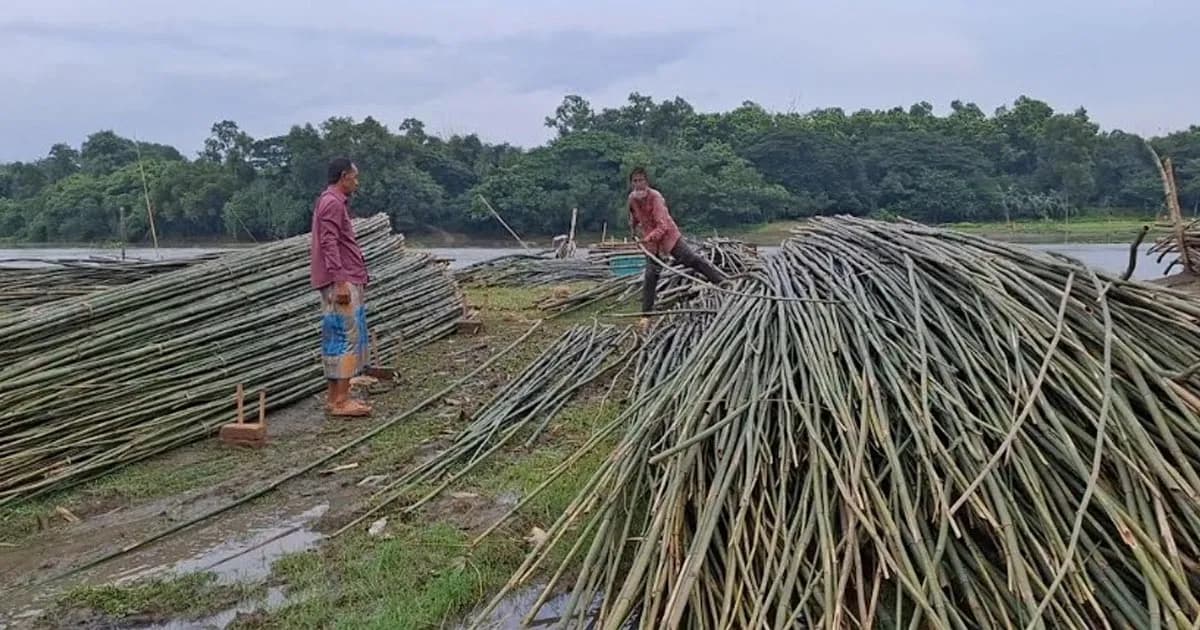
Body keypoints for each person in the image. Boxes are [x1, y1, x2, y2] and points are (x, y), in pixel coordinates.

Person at [627, 167, 728, 331]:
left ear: (647, 182)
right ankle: (646, 315)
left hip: (668, 237)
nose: (638, 184)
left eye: (641, 180)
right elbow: (633, 216)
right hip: (651, 244)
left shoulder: (656, 198)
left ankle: (722, 282)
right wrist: (633, 231)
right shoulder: (632, 198)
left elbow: (663, 225)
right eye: (635, 181)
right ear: (632, 183)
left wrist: (649, 238)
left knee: (691, 259)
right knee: (651, 275)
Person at [310, 158, 372, 418]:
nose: (357, 182)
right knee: (347, 337)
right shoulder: (333, 203)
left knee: (335, 337)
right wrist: (340, 281)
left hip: (341, 278)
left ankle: (334, 398)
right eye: (354, 177)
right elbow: (329, 243)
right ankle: (341, 401)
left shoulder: (329, 201)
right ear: (344, 176)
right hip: (341, 280)